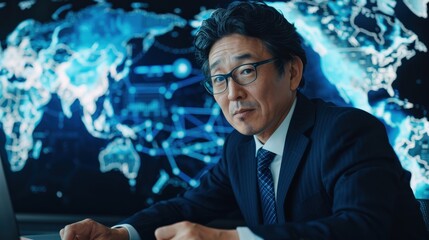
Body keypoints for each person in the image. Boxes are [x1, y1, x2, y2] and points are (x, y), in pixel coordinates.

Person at [60, 1, 428, 240]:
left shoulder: (348, 132)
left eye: (246, 70)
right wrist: (121, 234)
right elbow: (190, 206)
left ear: (293, 72)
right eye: (219, 79)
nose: (232, 93)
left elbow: (362, 228)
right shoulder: (240, 147)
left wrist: (228, 239)